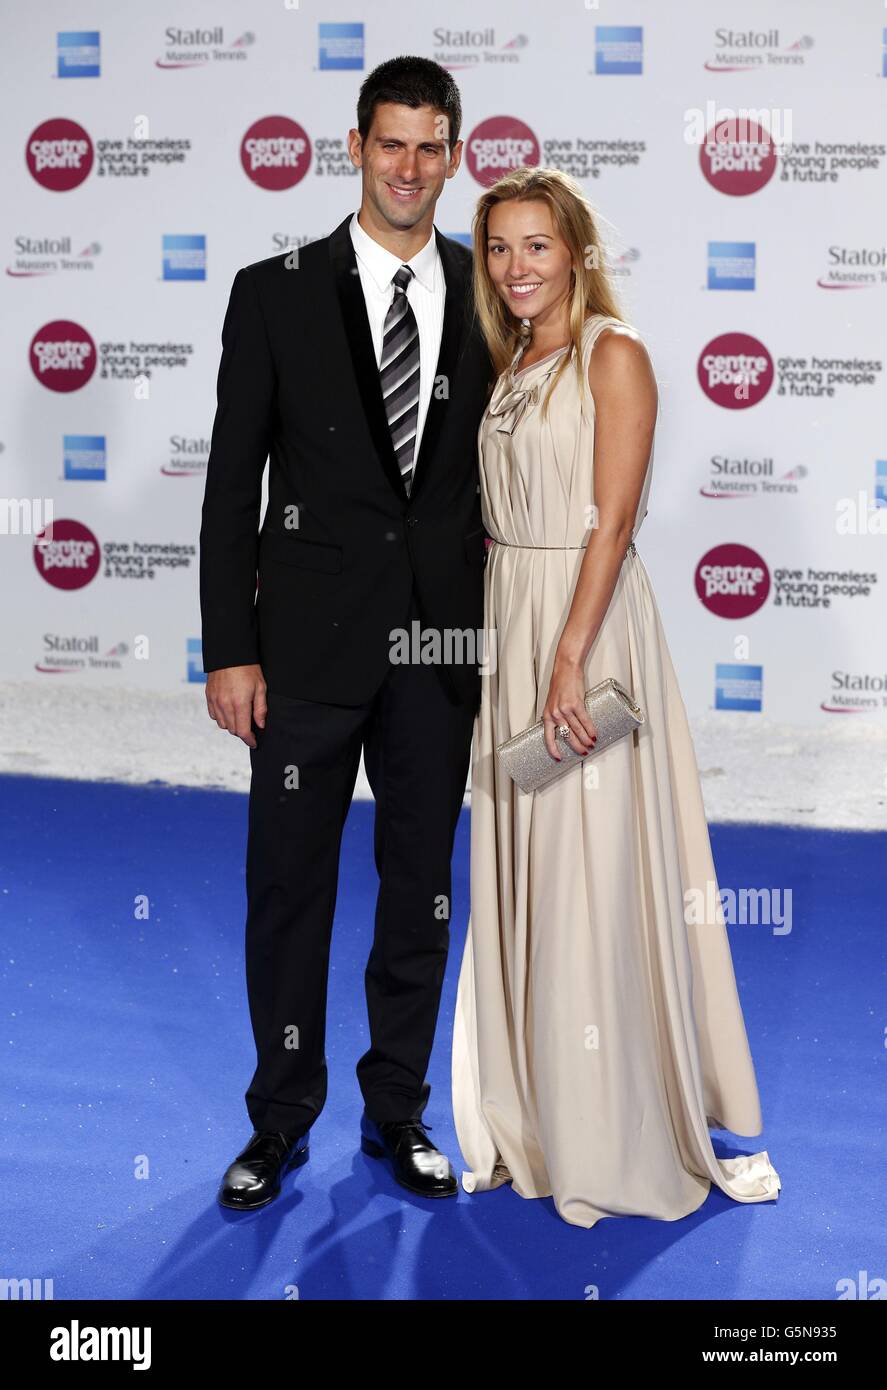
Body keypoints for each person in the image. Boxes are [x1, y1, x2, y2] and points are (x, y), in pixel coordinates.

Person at [451, 167, 782, 1229]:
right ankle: (536, 1106)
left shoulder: (612, 353)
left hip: (580, 630)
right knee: (527, 863)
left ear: (576, 250)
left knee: (591, 867)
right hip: (513, 621)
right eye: (499, 247)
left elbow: (612, 519)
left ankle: (609, 1120)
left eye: (537, 245)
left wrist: (566, 655)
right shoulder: (513, 360)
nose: (515, 267)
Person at [200, 56, 493, 1209]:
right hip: (305, 650)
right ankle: (278, 1119)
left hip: (436, 653)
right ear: (355, 146)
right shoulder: (272, 290)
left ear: (452, 155)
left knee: (419, 884)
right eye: (391, 143)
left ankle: (398, 1112)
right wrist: (231, 647)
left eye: (431, 146)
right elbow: (232, 486)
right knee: (287, 888)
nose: (410, 167)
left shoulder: (487, 291)